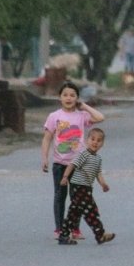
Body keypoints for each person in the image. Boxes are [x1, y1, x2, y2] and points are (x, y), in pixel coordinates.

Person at [41, 81, 105, 240]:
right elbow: (47, 138)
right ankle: (59, 228)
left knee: (77, 198)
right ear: (59, 98)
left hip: (78, 165)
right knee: (60, 196)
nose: (68, 98)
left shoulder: (82, 116)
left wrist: (84, 106)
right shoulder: (54, 116)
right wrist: (44, 158)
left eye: (72, 95)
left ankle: (75, 229)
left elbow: (100, 117)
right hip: (60, 164)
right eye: (65, 95)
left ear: (77, 98)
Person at [57, 127, 116, 246]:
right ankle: (100, 234)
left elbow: (97, 173)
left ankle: (64, 235)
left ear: (102, 144)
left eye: (99, 140)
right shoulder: (84, 154)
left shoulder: (98, 158)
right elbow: (72, 165)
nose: (95, 142)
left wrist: (103, 184)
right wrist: (65, 177)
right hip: (78, 186)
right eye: (92, 139)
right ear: (87, 140)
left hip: (87, 187)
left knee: (75, 212)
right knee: (91, 210)